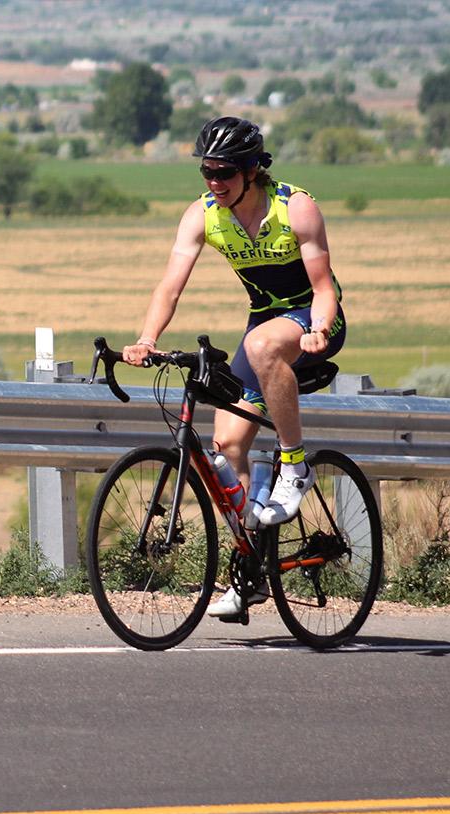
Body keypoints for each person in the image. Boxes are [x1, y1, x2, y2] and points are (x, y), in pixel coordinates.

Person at [123, 116, 346, 618]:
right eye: (206, 171)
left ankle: (295, 463)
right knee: (226, 447)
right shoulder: (203, 214)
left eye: (223, 171)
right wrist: (146, 338)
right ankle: (251, 571)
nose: (213, 181)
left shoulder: (296, 208)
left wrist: (319, 329)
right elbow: (170, 286)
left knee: (266, 343)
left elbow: (325, 287)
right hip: (265, 322)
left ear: (250, 170)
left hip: (310, 318)